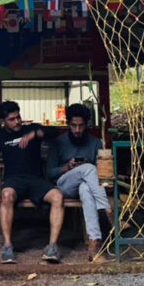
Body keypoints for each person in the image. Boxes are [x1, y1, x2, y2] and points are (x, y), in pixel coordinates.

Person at [0, 100, 64, 264]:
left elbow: (54, 132)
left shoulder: (31, 128)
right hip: (13, 180)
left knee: (58, 197)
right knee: (5, 195)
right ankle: (7, 247)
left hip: (36, 180)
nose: (17, 121)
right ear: (3, 121)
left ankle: (52, 247)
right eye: (12, 119)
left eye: (18, 117)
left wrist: (35, 134)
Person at [48, 103, 112, 260]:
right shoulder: (59, 142)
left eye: (81, 126)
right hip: (64, 185)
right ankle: (106, 209)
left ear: (87, 125)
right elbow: (49, 172)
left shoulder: (95, 142)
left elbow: (102, 171)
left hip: (89, 186)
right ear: (68, 124)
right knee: (88, 168)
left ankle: (94, 243)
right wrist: (67, 167)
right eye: (74, 125)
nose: (77, 130)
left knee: (85, 188)